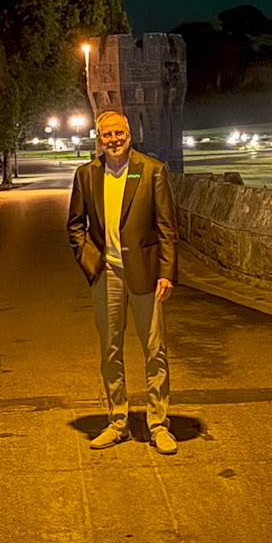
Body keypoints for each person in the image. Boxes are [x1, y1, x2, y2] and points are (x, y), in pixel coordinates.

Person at [66, 109, 178, 454]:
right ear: (98, 138)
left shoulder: (152, 170)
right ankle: (118, 421)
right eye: (106, 135)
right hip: (108, 273)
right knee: (110, 351)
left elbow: (166, 227)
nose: (113, 139)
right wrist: (92, 265)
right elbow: (75, 225)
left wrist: (166, 272)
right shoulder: (87, 175)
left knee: (154, 349)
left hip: (145, 271)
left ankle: (158, 424)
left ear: (129, 133)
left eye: (119, 133)